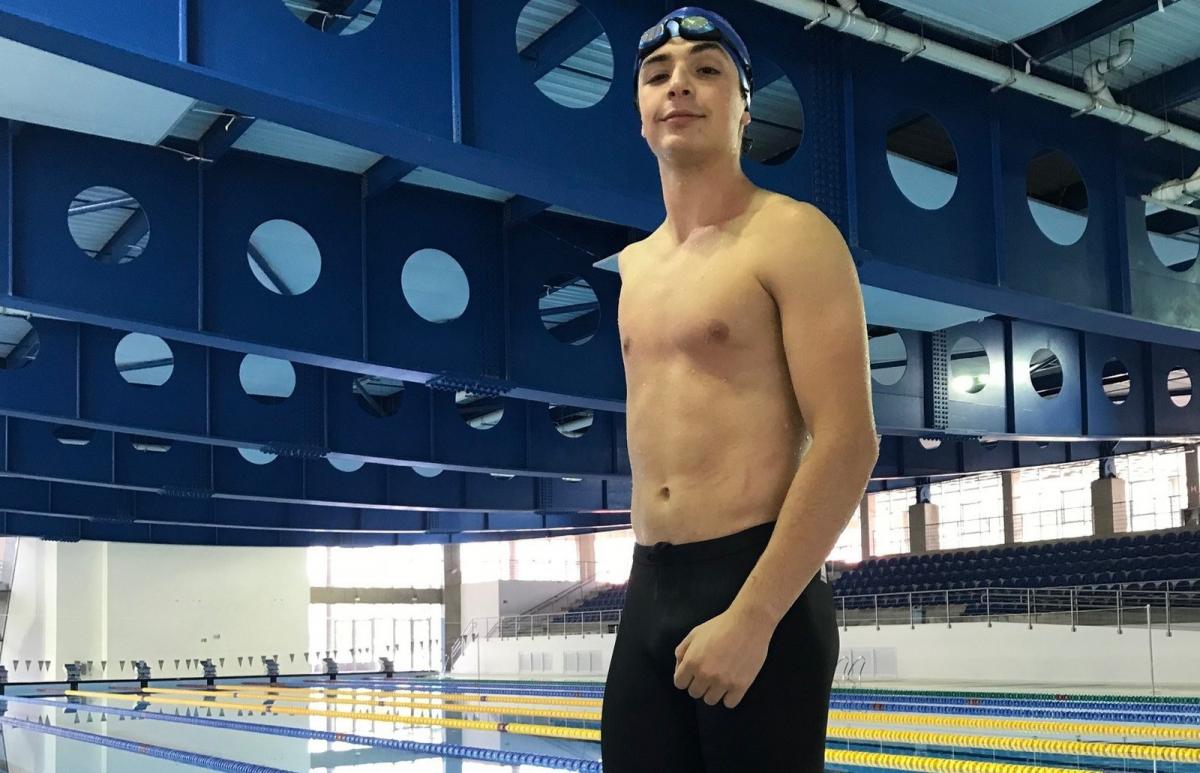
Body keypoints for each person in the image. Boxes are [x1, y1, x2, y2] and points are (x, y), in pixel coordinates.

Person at [599, 7, 879, 771]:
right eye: (658, 75)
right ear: (640, 113)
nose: (678, 86)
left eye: (706, 70)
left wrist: (753, 617)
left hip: (757, 584)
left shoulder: (792, 235)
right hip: (648, 583)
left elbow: (849, 440)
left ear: (743, 107)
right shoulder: (632, 271)